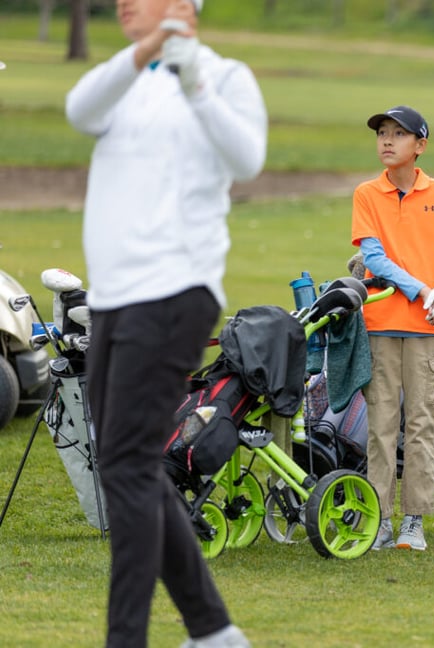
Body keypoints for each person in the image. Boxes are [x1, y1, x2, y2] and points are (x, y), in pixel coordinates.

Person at [65, 0, 266, 645]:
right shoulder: (124, 81)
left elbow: (246, 157)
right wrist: (144, 56)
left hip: (175, 291)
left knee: (124, 461)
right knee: (128, 464)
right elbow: (79, 109)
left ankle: (127, 638)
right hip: (113, 299)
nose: (125, 2)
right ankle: (213, 632)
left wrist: (193, 81)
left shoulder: (225, 76)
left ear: (184, 7)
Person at [350, 105, 434, 552]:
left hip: (428, 326)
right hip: (380, 321)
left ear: (420, 145)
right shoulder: (366, 194)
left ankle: (412, 521)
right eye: (381, 132)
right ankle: (378, 518)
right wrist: (423, 290)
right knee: (380, 424)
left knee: (420, 424)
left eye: (398, 134)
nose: (386, 141)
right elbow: (373, 258)